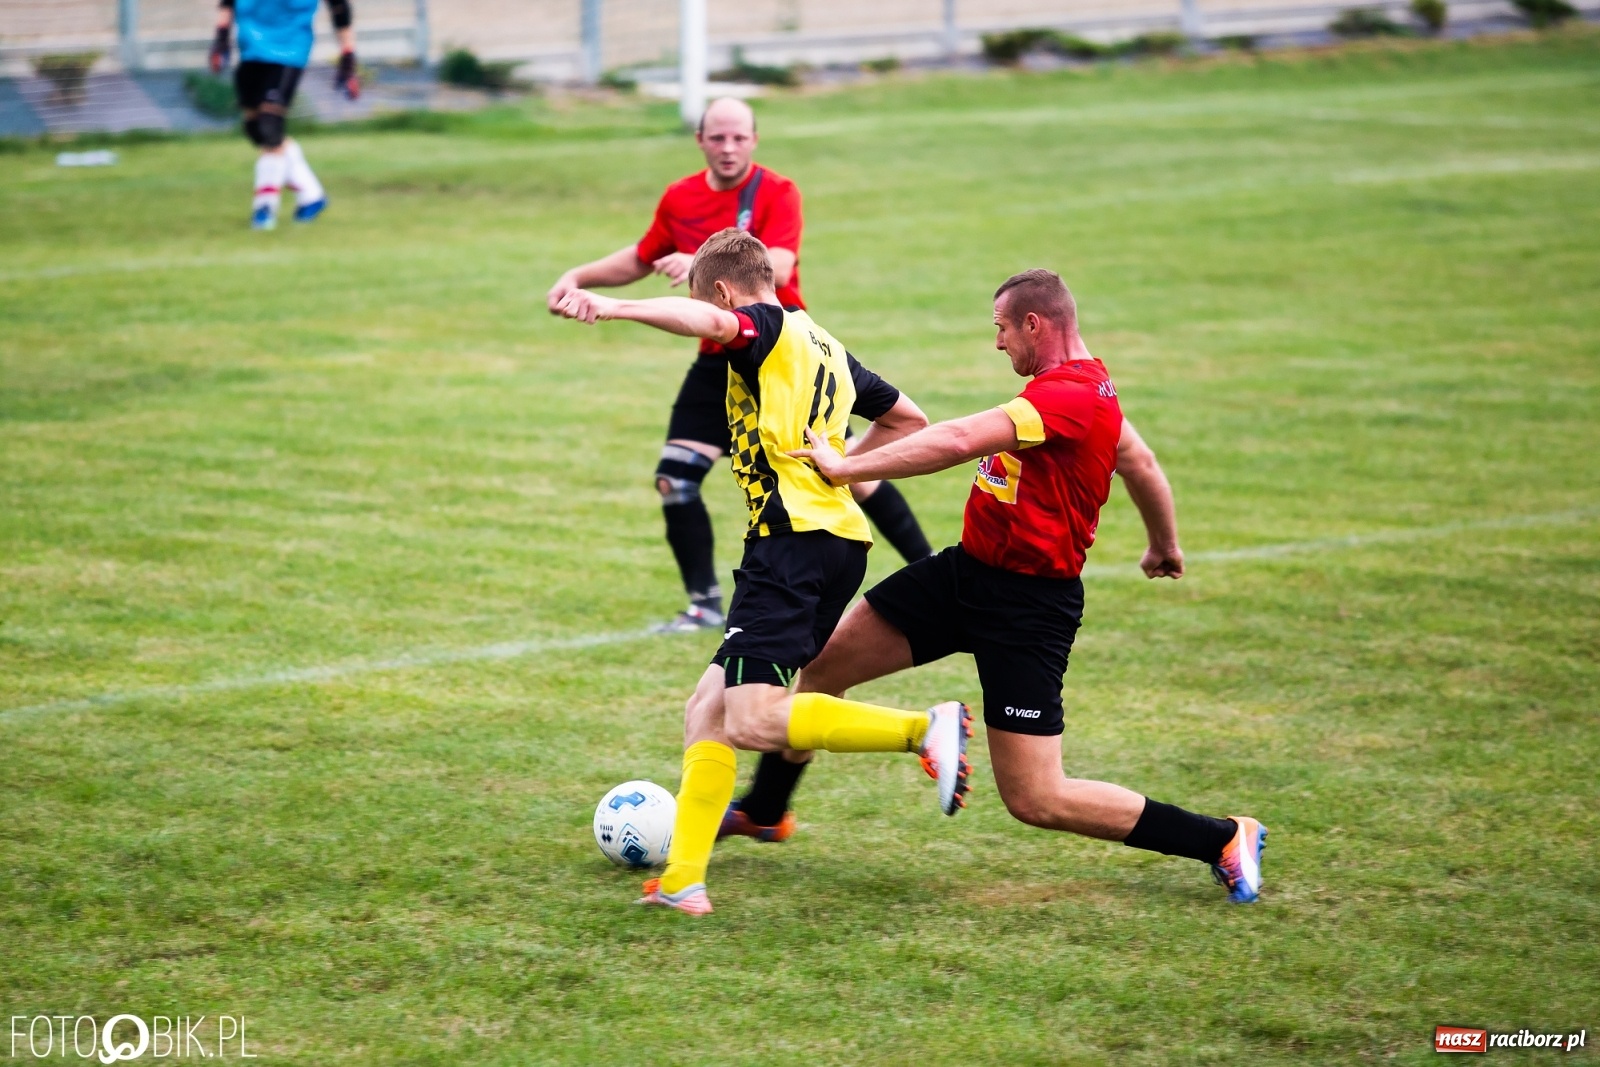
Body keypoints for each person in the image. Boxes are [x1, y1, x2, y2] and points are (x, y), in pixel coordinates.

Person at [752, 268, 1268, 904]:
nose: (998, 344)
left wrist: (847, 466)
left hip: (1029, 607)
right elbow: (1139, 461)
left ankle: (1220, 837)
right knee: (825, 665)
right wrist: (1164, 544)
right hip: (963, 574)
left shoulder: (1071, 396)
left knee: (1035, 798)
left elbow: (963, 438)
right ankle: (765, 810)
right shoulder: (1084, 391)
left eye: (1001, 328)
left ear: (1035, 323)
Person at [554, 229, 975, 915]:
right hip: (828, 542)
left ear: (722, 290)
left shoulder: (761, 327)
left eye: (709, 303)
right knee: (708, 710)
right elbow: (908, 417)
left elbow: (714, 322)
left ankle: (923, 729)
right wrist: (843, 465)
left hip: (793, 546)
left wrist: (615, 308)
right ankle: (684, 880)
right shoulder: (825, 345)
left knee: (753, 720)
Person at [546, 97, 933, 636]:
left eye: (738, 138)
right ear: (701, 140)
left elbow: (776, 264)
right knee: (675, 479)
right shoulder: (680, 196)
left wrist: (698, 261)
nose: (728, 148)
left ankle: (929, 573)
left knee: (842, 475)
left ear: (753, 140)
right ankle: (704, 605)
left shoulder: (777, 192)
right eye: (718, 138)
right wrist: (578, 277)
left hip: (777, 350)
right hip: (719, 362)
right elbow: (641, 256)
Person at [209, 0, 361, 230]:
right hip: (251, 48)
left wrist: (348, 56)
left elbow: (339, 8)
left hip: (290, 50)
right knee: (255, 129)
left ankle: (264, 208)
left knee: (270, 126)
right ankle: (311, 195)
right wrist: (221, 37)